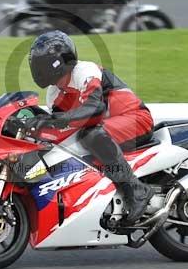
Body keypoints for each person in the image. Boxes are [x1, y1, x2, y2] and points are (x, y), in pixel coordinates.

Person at [27, 30, 155, 225]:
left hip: (135, 119)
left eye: (41, 62)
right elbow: (63, 130)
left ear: (57, 60)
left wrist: (57, 121)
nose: (37, 67)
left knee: (90, 135)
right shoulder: (54, 94)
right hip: (108, 129)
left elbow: (94, 108)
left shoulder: (84, 71)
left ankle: (137, 190)